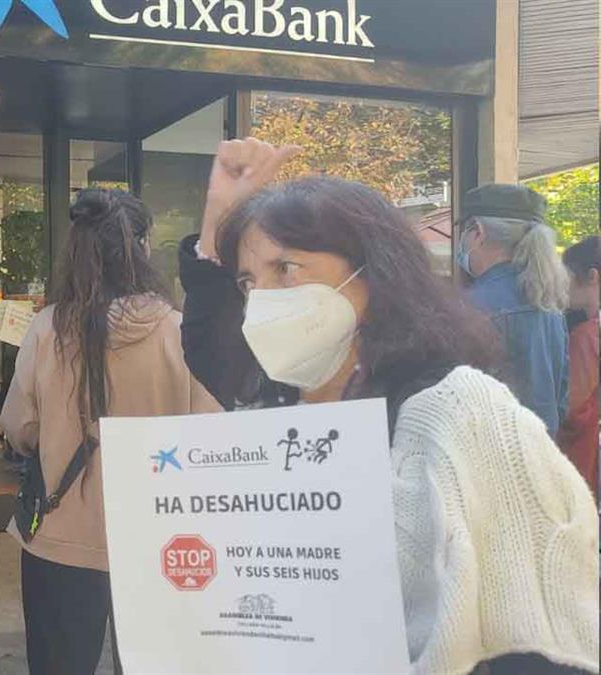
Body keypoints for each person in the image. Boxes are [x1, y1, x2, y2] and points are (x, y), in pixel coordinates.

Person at [179, 139, 599, 674]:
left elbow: (538, 628)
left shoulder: (462, 410)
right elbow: (211, 350)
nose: (262, 298)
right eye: (248, 281)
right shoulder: (275, 406)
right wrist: (216, 220)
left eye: (286, 268)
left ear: (373, 274)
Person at [1, 188, 220, 675]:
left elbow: (20, 427)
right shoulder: (177, 331)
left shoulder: (47, 329)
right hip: (159, 538)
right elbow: (209, 434)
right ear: (143, 247)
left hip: (59, 533)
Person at [458, 184, 571, 436]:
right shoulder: (550, 306)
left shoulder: (469, 307)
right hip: (542, 449)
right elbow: (561, 399)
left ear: (477, 232)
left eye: (463, 232)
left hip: (488, 453)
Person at [559, 235, 599, 499]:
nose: (563, 287)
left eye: (568, 278)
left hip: (581, 455)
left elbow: (572, 410)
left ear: (592, 276)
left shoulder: (586, 336)